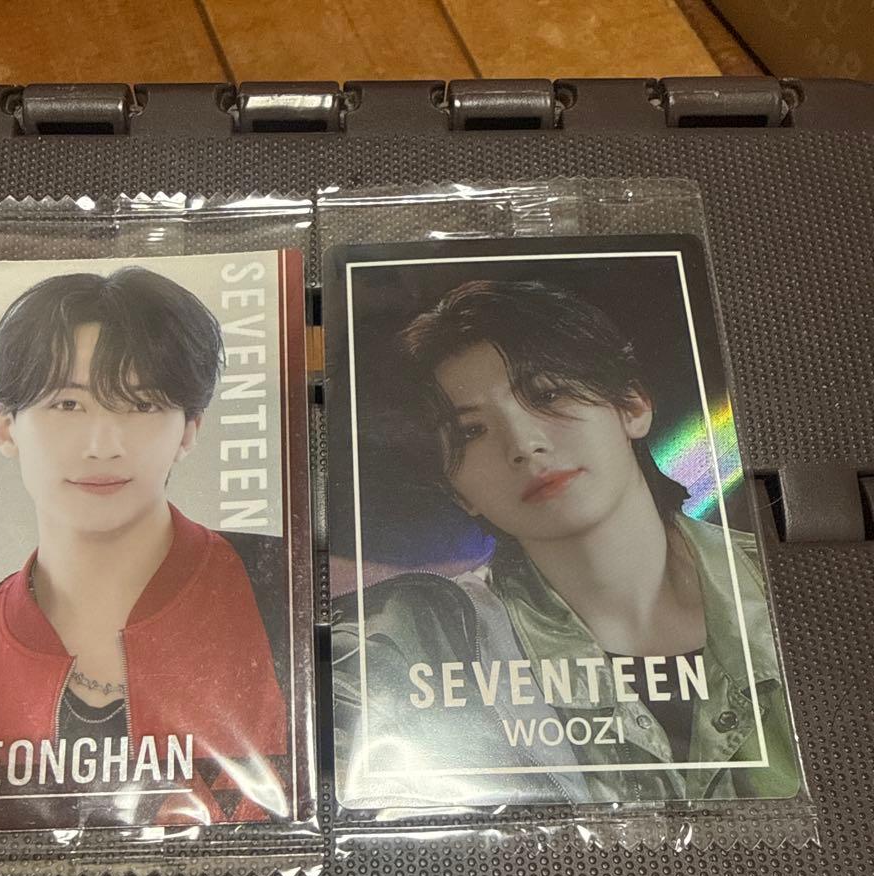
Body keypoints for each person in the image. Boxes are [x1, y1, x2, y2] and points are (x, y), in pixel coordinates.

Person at [332, 278, 799, 809]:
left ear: (631, 405)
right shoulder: (412, 644)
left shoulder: (793, 586)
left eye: (547, 394)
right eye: (469, 432)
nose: (523, 445)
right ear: (457, 492)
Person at [0, 267, 288, 828]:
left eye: (140, 404)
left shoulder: (288, 602)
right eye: (67, 404)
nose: (102, 445)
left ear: (188, 430)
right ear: (5, 426)